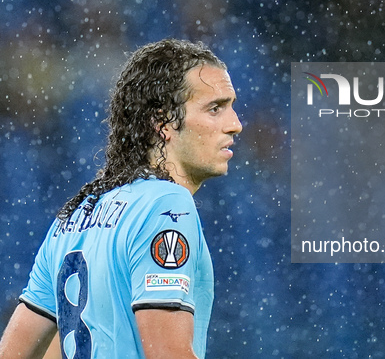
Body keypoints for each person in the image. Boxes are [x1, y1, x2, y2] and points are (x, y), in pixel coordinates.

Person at [0, 39, 242, 358]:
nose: (235, 125)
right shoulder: (167, 205)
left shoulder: (74, 216)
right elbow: (167, 355)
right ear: (164, 123)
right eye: (215, 108)